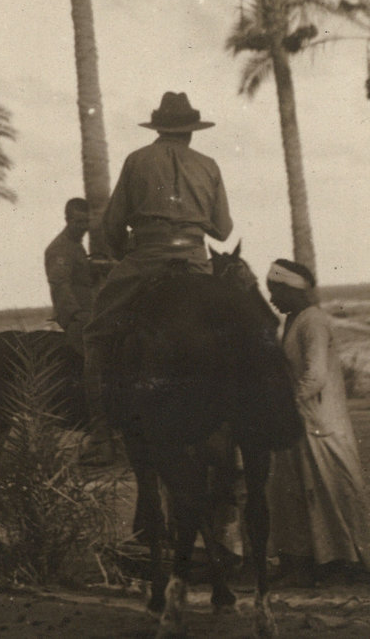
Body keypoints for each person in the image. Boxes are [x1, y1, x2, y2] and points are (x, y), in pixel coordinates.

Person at [80, 90, 234, 463]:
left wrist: (122, 253)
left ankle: (101, 433)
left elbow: (112, 224)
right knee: (232, 334)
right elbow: (224, 230)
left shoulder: (136, 161)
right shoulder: (209, 165)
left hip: (146, 258)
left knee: (96, 334)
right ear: (192, 131)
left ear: (159, 128)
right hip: (197, 262)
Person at [265, 259, 370, 586]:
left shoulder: (312, 322)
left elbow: (315, 375)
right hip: (302, 420)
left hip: (319, 419)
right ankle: (314, 562)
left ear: (293, 290)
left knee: (335, 490)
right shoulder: (292, 320)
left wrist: (285, 405)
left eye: (276, 290)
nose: (271, 297)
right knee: (298, 494)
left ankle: (353, 562)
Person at [43, 197, 95, 355]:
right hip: (75, 319)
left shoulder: (76, 244)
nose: (84, 227)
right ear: (67, 219)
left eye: (87, 222)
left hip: (86, 313)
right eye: (79, 222)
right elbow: (60, 284)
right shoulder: (60, 248)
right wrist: (76, 314)